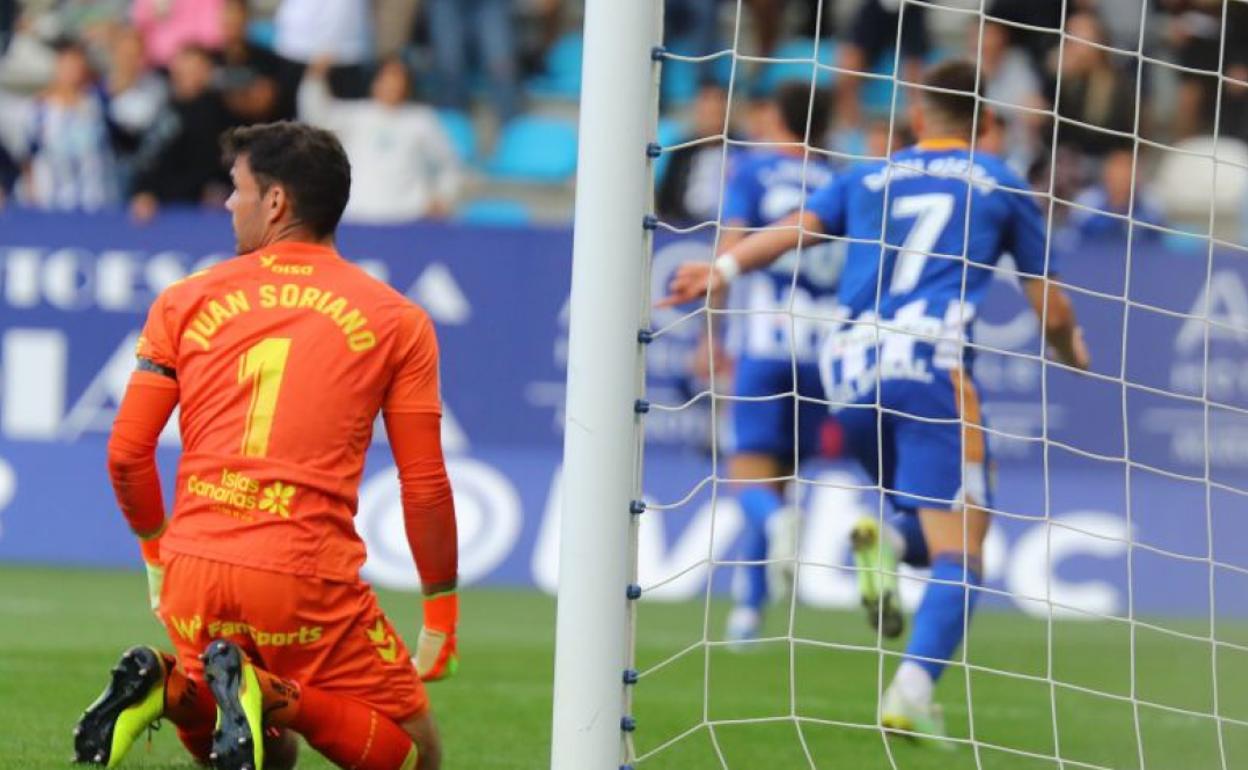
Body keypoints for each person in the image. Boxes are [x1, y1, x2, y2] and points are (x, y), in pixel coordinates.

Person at [662, 60, 1090, 740]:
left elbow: (795, 230)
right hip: (929, 365)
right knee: (965, 549)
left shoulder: (865, 175)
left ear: (917, 119)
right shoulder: (1001, 181)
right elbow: (1053, 312)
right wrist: (1073, 352)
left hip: (850, 372)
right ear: (985, 125)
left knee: (927, 523)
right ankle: (911, 693)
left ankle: (887, 539)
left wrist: (719, 267)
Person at [72, 121, 457, 770]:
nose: (229, 203)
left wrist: (157, 558)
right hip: (303, 571)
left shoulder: (184, 300)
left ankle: (173, 690)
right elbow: (423, 485)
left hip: (196, 567)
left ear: (276, 202)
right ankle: (280, 699)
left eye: (237, 188)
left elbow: (126, 453)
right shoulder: (398, 320)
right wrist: (440, 613)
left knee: (267, 757)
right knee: (418, 753)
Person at [711, 82, 841, 644]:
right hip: (820, 352)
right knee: (782, 477)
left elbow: (732, 247)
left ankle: (771, 535)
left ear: (774, 114)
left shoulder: (753, 170)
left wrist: (710, 332)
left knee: (751, 482)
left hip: (764, 342)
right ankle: (749, 610)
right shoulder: (838, 180)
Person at [298, 55, 461, 222]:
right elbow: (317, 117)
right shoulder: (357, 115)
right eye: (386, 78)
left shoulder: (421, 120)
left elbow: (448, 164)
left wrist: (443, 197)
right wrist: (315, 79)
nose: (392, 85)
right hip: (359, 217)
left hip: (409, 217)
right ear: (376, 82)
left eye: (398, 79)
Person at [129, 45, 232, 220]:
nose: (187, 75)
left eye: (195, 68)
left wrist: (157, 194)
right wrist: (143, 190)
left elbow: (207, 168)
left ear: (207, 71)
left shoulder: (216, 114)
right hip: (156, 206)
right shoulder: (164, 108)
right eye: (183, 68)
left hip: (192, 211)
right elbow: (149, 154)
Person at [19, 37, 118, 210]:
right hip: (51, 205)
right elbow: (27, 156)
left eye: (77, 64)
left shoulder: (99, 105)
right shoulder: (38, 110)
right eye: (67, 64)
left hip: (95, 205)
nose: (72, 71)